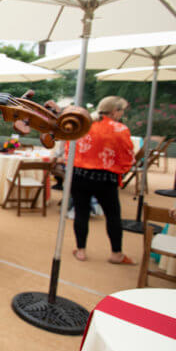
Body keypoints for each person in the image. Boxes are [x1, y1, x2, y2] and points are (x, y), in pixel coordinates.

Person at [69, 96, 135, 264]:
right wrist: (122, 169)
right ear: (115, 111)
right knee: (113, 215)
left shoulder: (85, 125)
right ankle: (116, 253)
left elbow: (71, 148)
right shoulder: (119, 129)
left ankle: (81, 250)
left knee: (81, 213)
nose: (122, 114)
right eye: (121, 111)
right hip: (106, 178)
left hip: (80, 175)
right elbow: (127, 155)